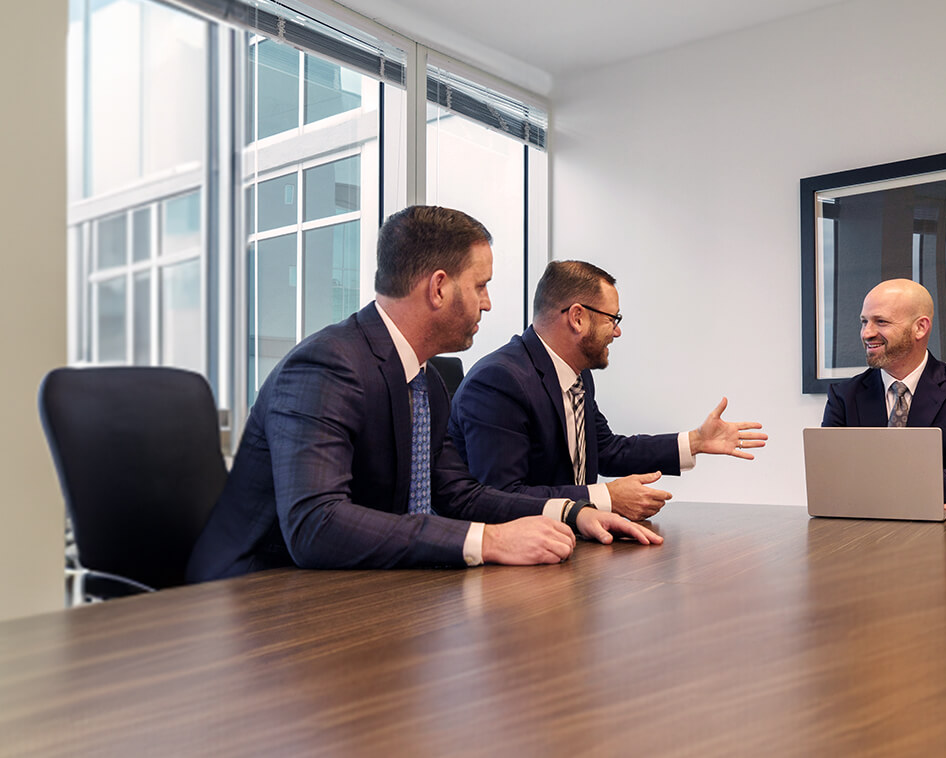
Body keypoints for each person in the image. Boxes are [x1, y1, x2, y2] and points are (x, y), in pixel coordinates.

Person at [186, 207, 659, 582]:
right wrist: (488, 542)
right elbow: (317, 524)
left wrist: (573, 514)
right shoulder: (328, 365)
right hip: (251, 597)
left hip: (359, 589)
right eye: (481, 286)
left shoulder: (427, 383)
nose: (488, 303)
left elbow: (458, 493)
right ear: (438, 287)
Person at [447, 260, 767, 521]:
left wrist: (695, 441)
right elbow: (502, 496)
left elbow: (606, 450)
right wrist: (605, 498)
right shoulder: (499, 380)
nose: (617, 330)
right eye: (612, 318)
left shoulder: (578, 375)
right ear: (577, 317)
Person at [821, 278, 946, 516]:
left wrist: (871, 484)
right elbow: (829, 482)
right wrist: (923, 496)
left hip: (944, 539)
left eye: (881, 322)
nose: (867, 333)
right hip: (865, 535)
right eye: (864, 322)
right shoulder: (843, 396)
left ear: (920, 327)